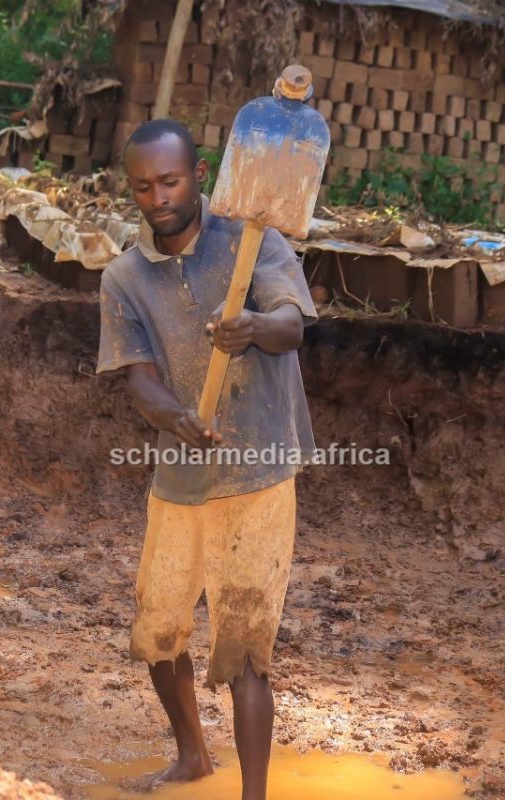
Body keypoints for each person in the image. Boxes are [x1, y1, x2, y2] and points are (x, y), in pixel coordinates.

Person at [96, 118, 317, 800]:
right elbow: (136, 376)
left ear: (199, 173)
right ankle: (193, 758)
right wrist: (175, 416)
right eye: (143, 186)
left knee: (246, 645)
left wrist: (253, 328)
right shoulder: (125, 277)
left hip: (258, 477)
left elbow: (293, 323)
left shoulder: (254, 243)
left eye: (170, 180)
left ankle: (253, 795)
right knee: (158, 631)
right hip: (180, 480)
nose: (158, 197)